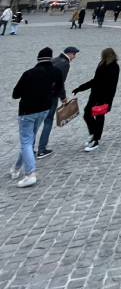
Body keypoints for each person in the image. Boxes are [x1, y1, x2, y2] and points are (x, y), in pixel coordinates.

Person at [11, 47, 65, 187]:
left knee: (26, 141)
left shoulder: (29, 73)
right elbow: (58, 89)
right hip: (44, 109)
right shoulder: (56, 72)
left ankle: (30, 173)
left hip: (27, 112)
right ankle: (16, 168)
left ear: (38, 59)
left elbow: (15, 94)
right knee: (29, 140)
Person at [73, 48, 120, 151]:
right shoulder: (102, 64)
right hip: (94, 95)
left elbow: (112, 86)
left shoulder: (113, 67)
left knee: (99, 117)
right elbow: (95, 80)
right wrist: (80, 88)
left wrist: (105, 100)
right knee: (87, 114)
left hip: (103, 97)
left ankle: (96, 140)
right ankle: (94, 134)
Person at [37, 46, 79, 158]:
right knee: (48, 120)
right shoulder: (65, 63)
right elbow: (60, 81)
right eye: (74, 54)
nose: (74, 57)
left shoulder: (54, 59)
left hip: (40, 94)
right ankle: (41, 149)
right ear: (68, 53)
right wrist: (63, 97)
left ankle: (30, 147)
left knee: (36, 121)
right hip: (51, 95)